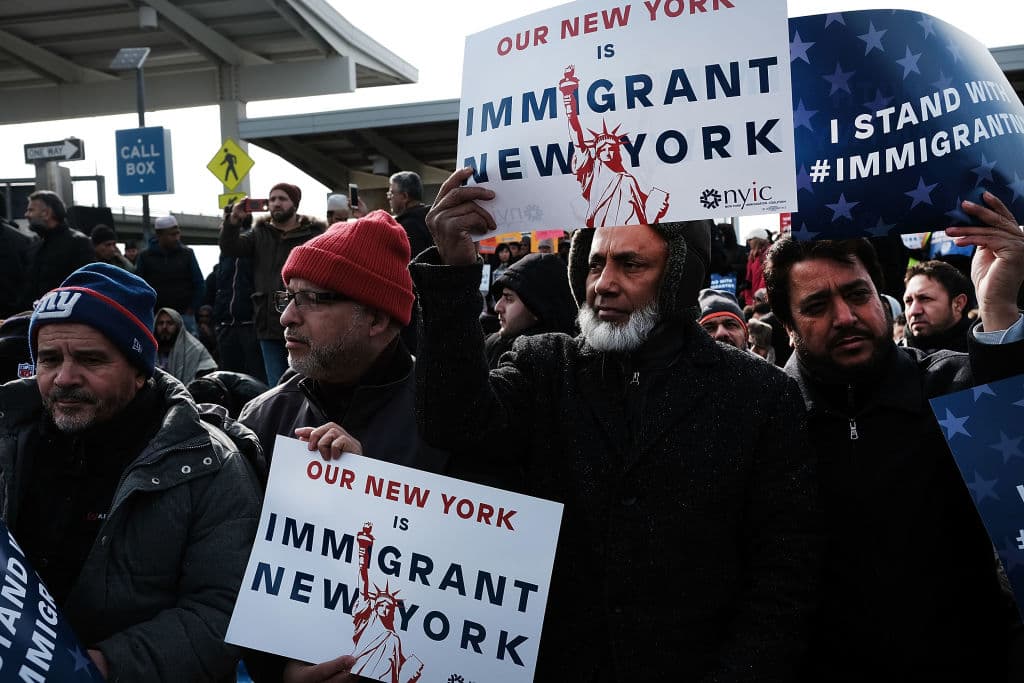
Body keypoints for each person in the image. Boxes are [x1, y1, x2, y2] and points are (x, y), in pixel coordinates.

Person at [406, 167, 820, 681]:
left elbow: (784, 569)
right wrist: (452, 272)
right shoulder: (543, 366)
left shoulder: (759, 395)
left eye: (631, 264)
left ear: (678, 279)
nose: (604, 284)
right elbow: (455, 424)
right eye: (596, 263)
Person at [763, 192, 1024, 683]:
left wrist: (1000, 307)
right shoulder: (761, 420)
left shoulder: (952, 386)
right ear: (787, 325)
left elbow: (1017, 447)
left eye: (857, 295)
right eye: (817, 305)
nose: (845, 317)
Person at [0, 263, 262, 681]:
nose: (64, 378)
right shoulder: (9, 438)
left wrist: (103, 667)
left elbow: (223, 613)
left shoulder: (210, 465)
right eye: (49, 359)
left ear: (140, 369)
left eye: (90, 359)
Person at [238, 211, 452, 682]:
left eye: (312, 300)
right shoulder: (262, 419)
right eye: (288, 297)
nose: (287, 317)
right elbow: (230, 575)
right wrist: (280, 673)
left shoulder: (450, 419)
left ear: (376, 317)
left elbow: (475, 585)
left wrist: (372, 490)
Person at [220, 182, 327, 386]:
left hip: (304, 320)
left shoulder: (313, 235)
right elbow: (230, 247)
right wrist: (233, 220)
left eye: (282, 199)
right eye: (272, 199)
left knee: (307, 382)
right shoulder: (260, 233)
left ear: (294, 204)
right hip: (267, 321)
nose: (276, 203)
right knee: (276, 386)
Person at [484, 253, 578, 369]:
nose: (497, 307)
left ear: (537, 308)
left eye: (508, 298)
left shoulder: (563, 361)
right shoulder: (492, 345)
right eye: (501, 297)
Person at [135, 215, 205, 333]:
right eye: (172, 234)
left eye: (178, 233)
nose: (177, 238)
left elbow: (199, 284)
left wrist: (191, 309)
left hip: (184, 317)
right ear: (159, 235)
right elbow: (138, 286)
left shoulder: (187, 254)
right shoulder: (145, 257)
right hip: (156, 318)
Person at [25, 190, 94, 302]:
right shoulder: (36, 247)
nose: (26, 215)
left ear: (46, 213)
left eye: (31, 210)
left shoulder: (78, 243)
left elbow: (85, 286)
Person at [902, 259, 973, 352]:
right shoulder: (892, 359)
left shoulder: (984, 355)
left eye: (925, 299)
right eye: (908, 301)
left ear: (958, 304)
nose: (913, 311)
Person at [155, 307, 218, 382]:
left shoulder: (194, 348)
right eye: (160, 323)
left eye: (170, 323)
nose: (164, 327)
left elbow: (210, 369)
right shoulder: (150, 349)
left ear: (178, 326)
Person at [388, 171, 434, 258]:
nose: (389, 197)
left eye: (392, 193)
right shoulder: (432, 219)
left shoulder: (404, 228)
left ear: (405, 196)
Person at [0, 215, 37, 316]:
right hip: (16, 307)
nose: (26, 214)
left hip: (9, 306)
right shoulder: (23, 239)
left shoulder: (17, 239)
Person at [742, 227, 770, 306]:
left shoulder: (768, 254)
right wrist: (748, 299)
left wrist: (758, 298)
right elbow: (748, 279)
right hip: (755, 299)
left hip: (763, 299)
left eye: (750, 239)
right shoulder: (753, 256)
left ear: (756, 240)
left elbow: (765, 278)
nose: (748, 242)